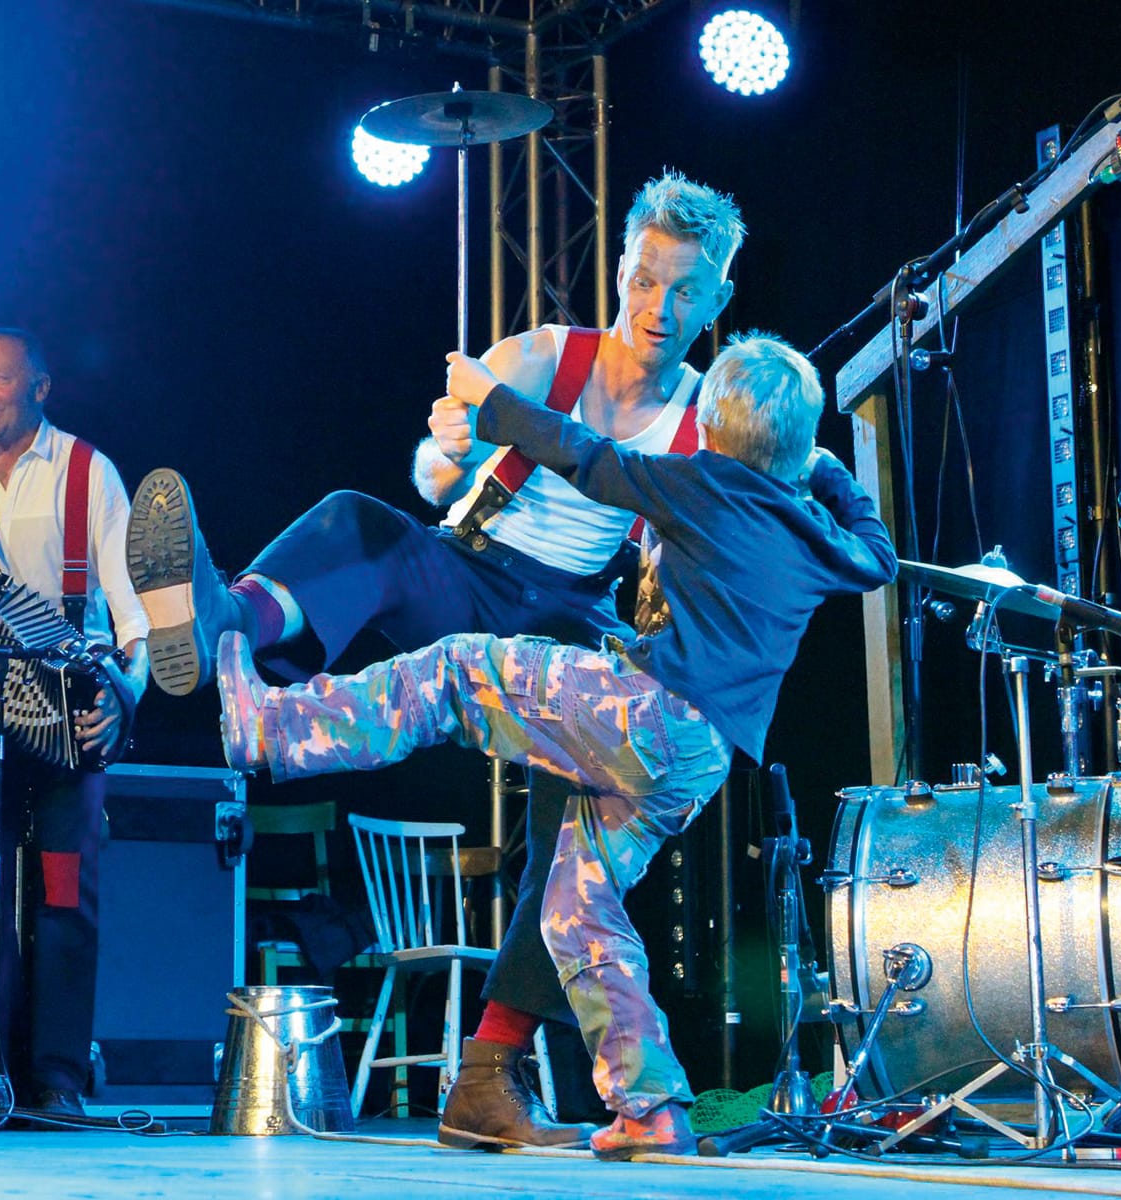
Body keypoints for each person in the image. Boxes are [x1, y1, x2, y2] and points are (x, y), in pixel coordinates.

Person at [125, 171, 743, 1149]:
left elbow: (696, 552)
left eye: (685, 290)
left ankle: (486, 1079)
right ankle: (218, 622)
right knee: (358, 517)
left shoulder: (708, 417)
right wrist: (449, 450)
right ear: (622, 272)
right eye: (645, 281)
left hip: (569, 625)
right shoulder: (548, 354)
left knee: (577, 847)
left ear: (718, 300)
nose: (660, 308)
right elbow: (431, 469)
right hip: (467, 573)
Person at [212, 333, 895, 1158]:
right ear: (794, 450)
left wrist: (490, 401)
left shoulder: (704, 483)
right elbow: (879, 552)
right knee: (578, 908)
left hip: (649, 714)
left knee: (462, 671)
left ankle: (271, 729)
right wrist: (823, 471)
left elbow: (588, 456)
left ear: (710, 430)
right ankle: (649, 1108)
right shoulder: (821, 537)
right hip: (701, 760)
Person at [0, 327, 149, 1117]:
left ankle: (57, 1079)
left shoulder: (90, 472)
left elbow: (134, 614)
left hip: (71, 711)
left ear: (40, 386)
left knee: (63, 895)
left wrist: (124, 695)